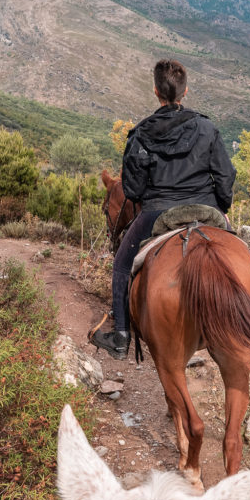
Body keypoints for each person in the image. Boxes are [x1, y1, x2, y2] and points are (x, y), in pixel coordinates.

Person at [92, 59, 236, 359]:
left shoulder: (141, 134)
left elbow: (131, 189)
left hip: (158, 211)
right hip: (205, 206)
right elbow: (225, 176)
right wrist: (220, 208)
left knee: (121, 264)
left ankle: (120, 337)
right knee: (241, 253)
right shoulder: (207, 128)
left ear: (156, 91)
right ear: (185, 92)